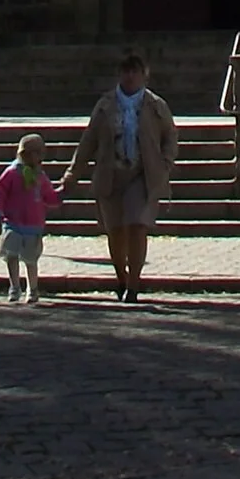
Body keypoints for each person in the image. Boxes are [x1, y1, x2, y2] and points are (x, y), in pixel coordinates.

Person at [62, 48, 177, 302]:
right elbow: (88, 142)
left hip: (142, 173)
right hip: (110, 173)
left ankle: (134, 285)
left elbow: (170, 135)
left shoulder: (155, 105)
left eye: (135, 71)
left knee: (137, 225)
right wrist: (72, 175)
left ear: (144, 75)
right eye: (126, 71)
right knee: (115, 230)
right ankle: (121, 278)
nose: (130, 76)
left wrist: (165, 162)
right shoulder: (105, 105)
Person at [0, 128, 63, 305]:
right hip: (12, 222)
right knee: (11, 256)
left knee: (31, 259)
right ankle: (14, 286)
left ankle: (32, 288)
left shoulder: (40, 176)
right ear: (26, 154)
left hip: (33, 223)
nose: (40, 158)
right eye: (37, 154)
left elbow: (48, 195)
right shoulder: (12, 173)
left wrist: (59, 196)